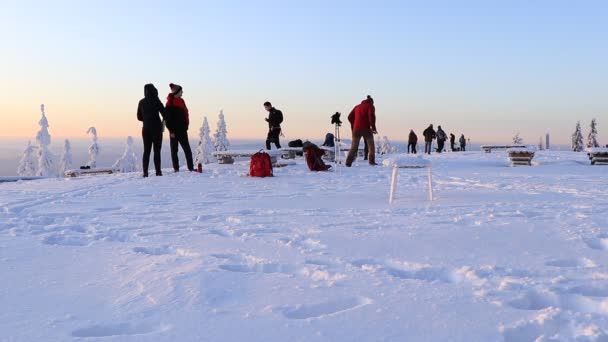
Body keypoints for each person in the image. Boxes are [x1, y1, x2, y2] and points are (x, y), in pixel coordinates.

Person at [137, 84, 165, 177]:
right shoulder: (156, 100)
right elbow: (164, 113)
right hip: (157, 129)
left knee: (146, 151)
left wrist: (146, 119)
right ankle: (158, 171)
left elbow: (139, 117)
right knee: (157, 151)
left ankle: (145, 172)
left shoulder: (141, 102)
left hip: (146, 129)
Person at [165, 83, 194, 172]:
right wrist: (171, 131)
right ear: (177, 92)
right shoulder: (169, 103)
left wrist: (186, 125)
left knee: (187, 149)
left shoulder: (182, 101)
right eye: (181, 91)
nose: (182, 92)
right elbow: (167, 119)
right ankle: (176, 168)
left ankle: (191, 167)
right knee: (174, 151)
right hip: (173, 132)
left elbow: (185, 114)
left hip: (182, 130)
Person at [346, 95, 377, 166]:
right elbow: (371, 116)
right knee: (371, 146)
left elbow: (349, 117)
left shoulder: (357, 106)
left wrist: (354, 125)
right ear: (371, 102)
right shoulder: (370, 106)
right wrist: (373, 128)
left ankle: (348, 162)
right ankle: (371, 162)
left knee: (354, 146)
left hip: (356, 130)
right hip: (366, 129)